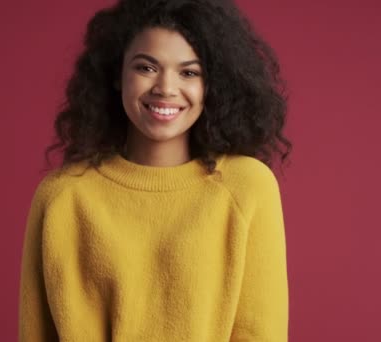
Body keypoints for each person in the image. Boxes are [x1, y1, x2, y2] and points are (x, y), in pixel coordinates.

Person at [18, 0, 292, 340]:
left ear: (213, 85)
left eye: (189, 72)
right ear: (117, 74)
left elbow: (260, 332)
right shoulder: (61, 197)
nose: (165, 87)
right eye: (146, 68)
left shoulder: (247, 188)